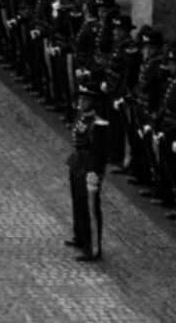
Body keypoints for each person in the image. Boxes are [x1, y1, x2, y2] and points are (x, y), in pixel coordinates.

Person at [67, 80, 107, 260]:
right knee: (78, 203)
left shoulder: (99, 125)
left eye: (85, 99)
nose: (81, 102)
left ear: (92, 102)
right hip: (78, 163)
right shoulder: (82, 117)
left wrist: (95, 173)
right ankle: (80, 237)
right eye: (80, 99)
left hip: (89, 168)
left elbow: (99, 153)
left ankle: (93, 248)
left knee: (90, 209)